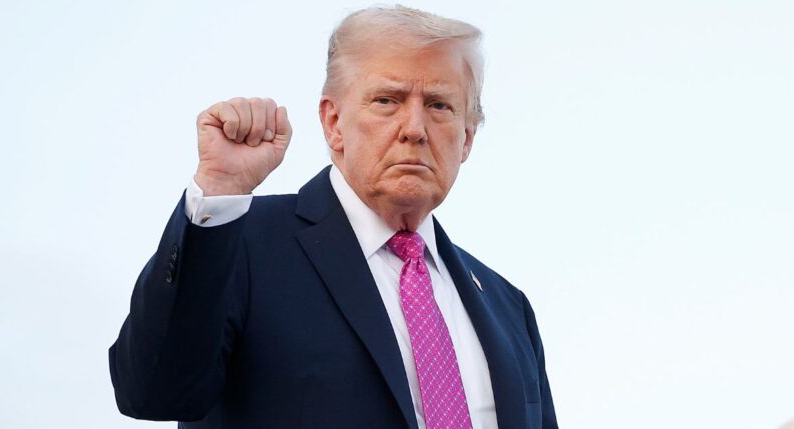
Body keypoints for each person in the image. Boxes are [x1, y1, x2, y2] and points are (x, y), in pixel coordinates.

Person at [109, 5, 558, 429]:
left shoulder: (508, 307)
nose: (415, 129)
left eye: (440, 105)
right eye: (387, 100)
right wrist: (220, 189)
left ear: (467, 139)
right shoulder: (243, 243)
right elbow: (151, 391)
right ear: (333, 122)